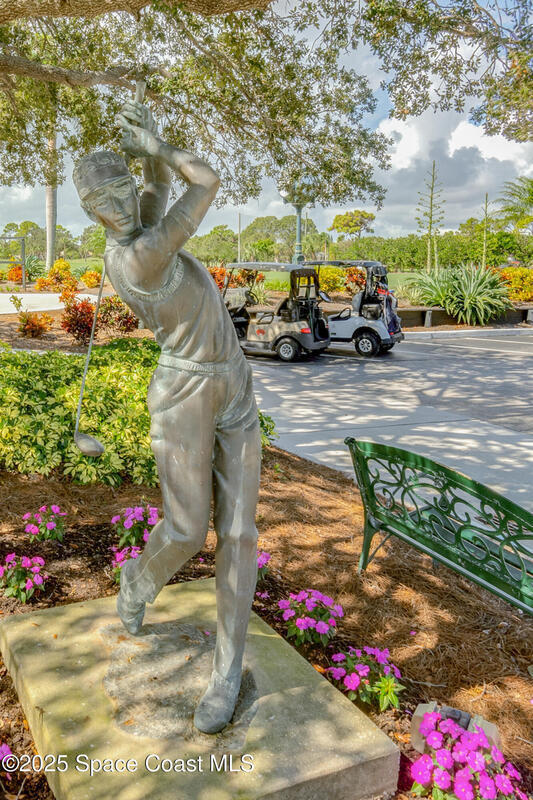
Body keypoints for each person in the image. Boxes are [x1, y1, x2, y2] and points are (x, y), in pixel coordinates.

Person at [72, 99, 261, 735]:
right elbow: (204, 181)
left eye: (122, 191)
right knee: (186, 531)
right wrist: (155, 148)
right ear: (90, 213)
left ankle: (226, 672)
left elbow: (154, 190)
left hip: (234, 382)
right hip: (185, 391)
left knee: (239, 534)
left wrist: (145, 144)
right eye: (105, 202)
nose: (120, 206)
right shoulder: (139, 255)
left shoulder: (139, 219)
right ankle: (137, 582)